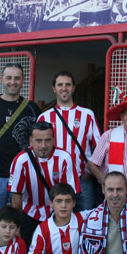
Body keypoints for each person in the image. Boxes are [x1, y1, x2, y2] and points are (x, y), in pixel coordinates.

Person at [0, 63, 41, 231]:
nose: (12, 82)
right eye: (8, 77)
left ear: (23, 81)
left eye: (16, 78)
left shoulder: (32, 108)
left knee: (20, 223)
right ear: (2, 80)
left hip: (23, 176)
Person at [8, 121, 81, 247]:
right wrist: (17, 226)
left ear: (53, 140)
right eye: (38, 140)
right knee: (27, 253)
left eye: (47, 140)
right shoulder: (21, 160)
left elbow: (70, 193)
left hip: (57, 212)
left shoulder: (64, 158)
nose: (43, 145)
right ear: (30, 141)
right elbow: (16, 197)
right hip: (29, 213)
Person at [37, 71, 101, 211]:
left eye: (68, 84)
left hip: (81, 179)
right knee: (57, 223)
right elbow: (37, 150)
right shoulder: (44, 117)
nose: (64, 88)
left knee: (86, 222)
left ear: (74, 87)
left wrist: (88, 173)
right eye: (60, 85)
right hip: (54, 180)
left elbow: (99, 148)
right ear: (54, 88)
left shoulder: (87, 115)